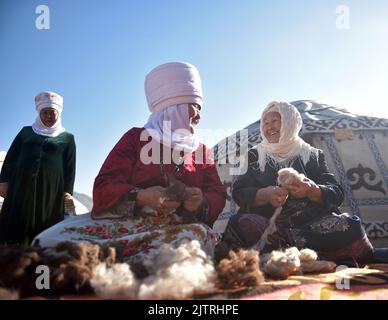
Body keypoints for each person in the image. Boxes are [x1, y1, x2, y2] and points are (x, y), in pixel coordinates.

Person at [33, 62, 227, 271]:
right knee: (46, 242)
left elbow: (216, 192)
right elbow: (104, 185)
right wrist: (141, 196)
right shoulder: (135, 138)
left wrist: (198, 202)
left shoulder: (201, 151)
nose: (198, 116)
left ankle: (108, 267)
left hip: (176, 227)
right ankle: (139, 267)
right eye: (193, 107)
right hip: (126, 226)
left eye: (199, 108)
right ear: (171, 109)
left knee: (196, 236)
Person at [217, 101, 376, 264]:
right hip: (271, 227)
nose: (269, 127)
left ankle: (281, 257)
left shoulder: (312, 155)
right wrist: (265, 195)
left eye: (274, 121)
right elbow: (239, 191)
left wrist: (311, 190)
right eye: (265, 122)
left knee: (349, 225)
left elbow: (336, 192)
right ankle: (320, 257)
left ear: (289, 122)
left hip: (312, 226)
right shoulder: (255, 155)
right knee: (241, 223)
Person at [0, 91, 76, 244]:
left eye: (52, 113)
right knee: (15, 221)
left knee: (45, 224)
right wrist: (3, 181)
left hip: (51, 189)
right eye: (45, 112)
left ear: (58, 113)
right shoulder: (26, 132)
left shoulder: (67, 138)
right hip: (20, 185)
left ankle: (39, 260)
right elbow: (11, 158)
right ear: (39, 113)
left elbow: (70, 166)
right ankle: (10, 256)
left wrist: (67, 190)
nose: (48, 116)